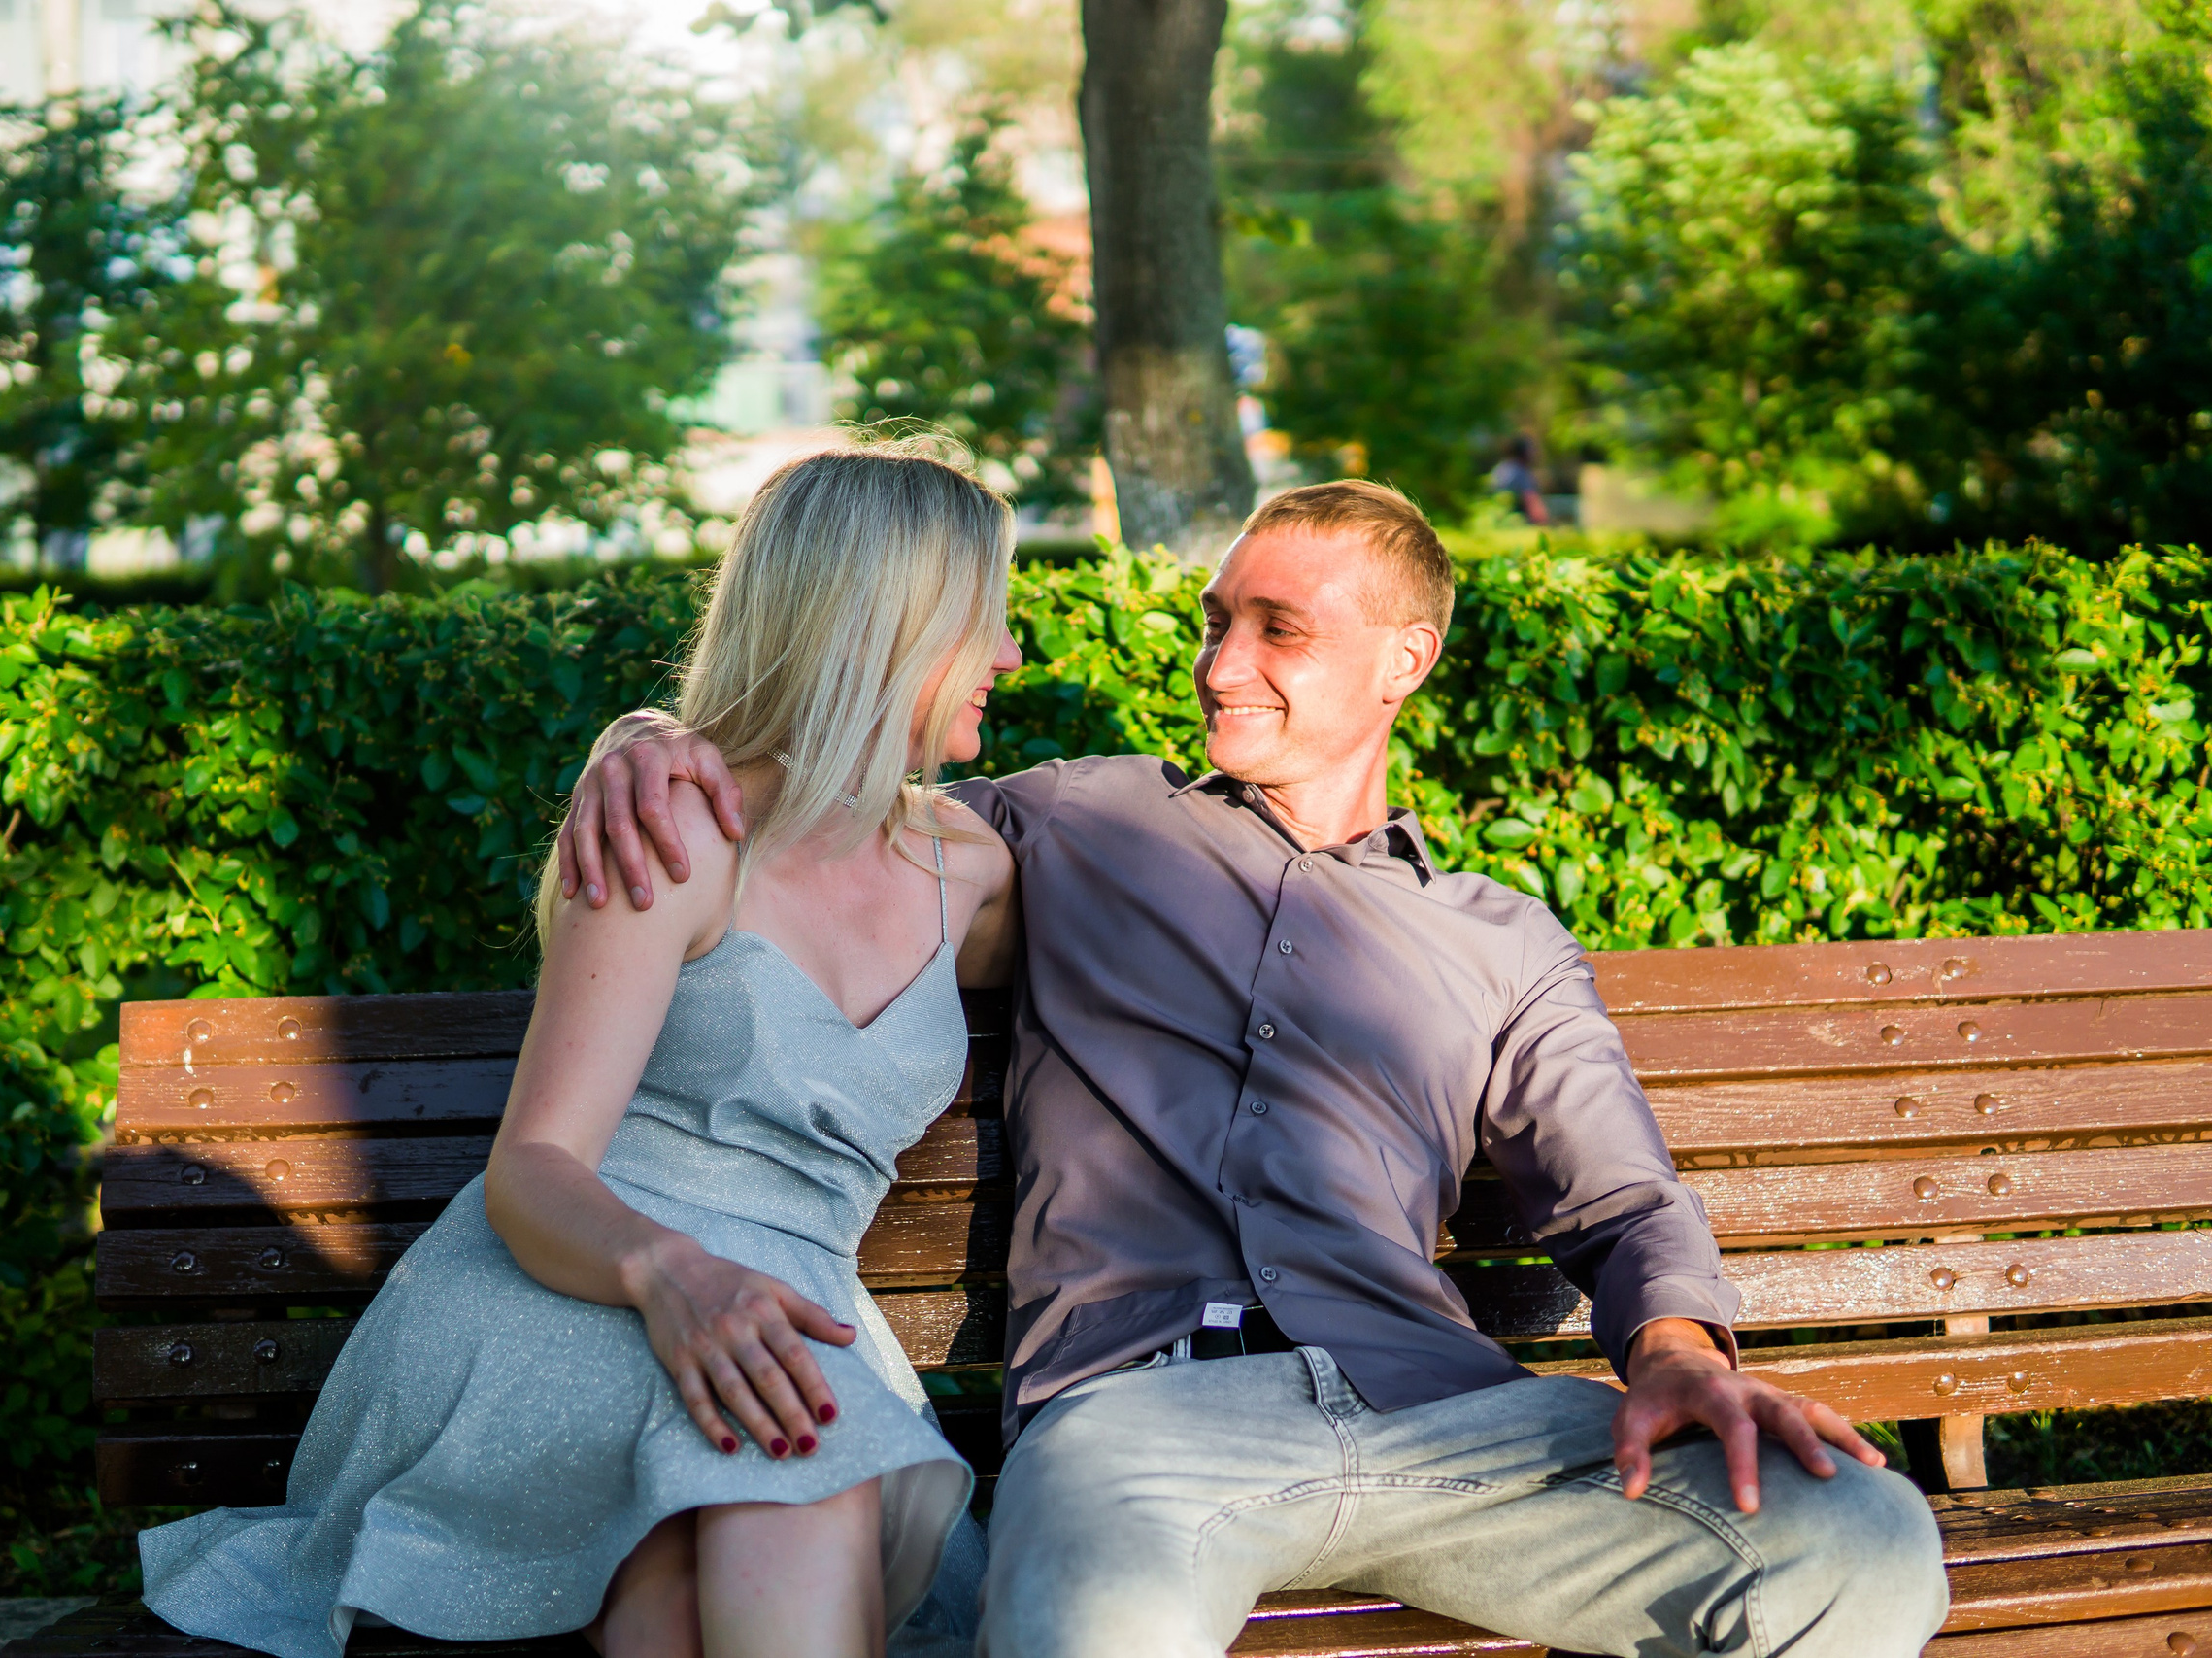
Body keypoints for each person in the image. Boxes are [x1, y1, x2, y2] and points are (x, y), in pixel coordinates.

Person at [560, 479, 1953, 1658]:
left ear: (1404, 658)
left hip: (1443, 1419)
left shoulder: (1501, 939)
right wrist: (656, 744)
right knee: (1099, 1617)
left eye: (1278, 628)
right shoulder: (1079, 822)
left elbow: (1623, 1198)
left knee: (1864, 1536)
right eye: (1216, 622)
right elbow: (820, 827)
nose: (1222, 664)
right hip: (1137, 1421)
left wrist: (1671, 1350)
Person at [139, 447, 1024, 1658]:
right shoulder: (680, 829)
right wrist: (675, 1277)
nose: (1014, 658)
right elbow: (538, 1167)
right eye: (990, 621)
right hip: (574, 1287)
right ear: (889, 626)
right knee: (797, 1476)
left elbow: (1156, 857)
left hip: (786, 1306)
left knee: (691, 1571)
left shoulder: (970, 872)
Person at [1490, 435, 1551, 525]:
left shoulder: (1499, 469)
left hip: (1495, 520)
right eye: (1532, 449)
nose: (1535, 453)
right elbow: (1533, 504)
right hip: (1516, 523)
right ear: (1524, 452)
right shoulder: (1520, 473)